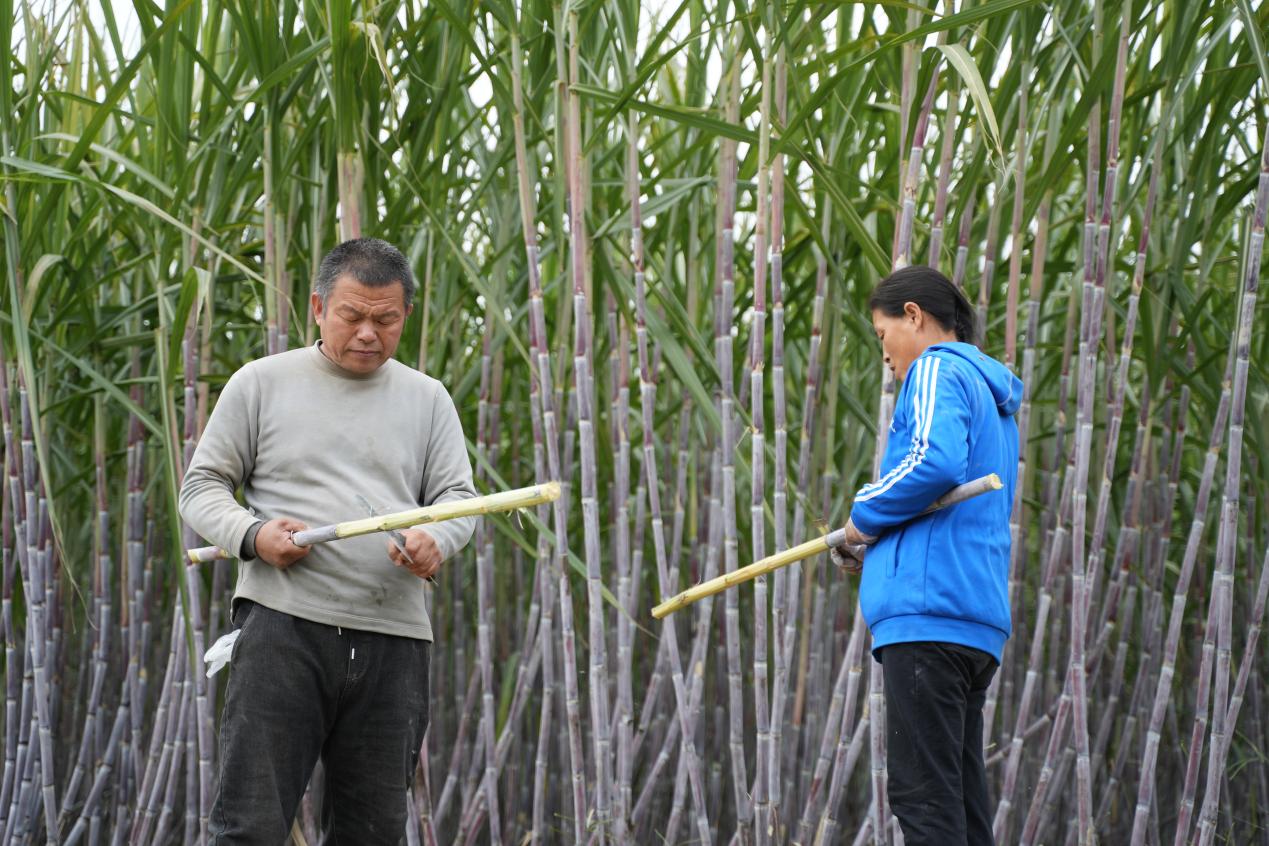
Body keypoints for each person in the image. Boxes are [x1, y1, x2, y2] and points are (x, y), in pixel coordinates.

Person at [179, 237, 476, 843]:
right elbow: (201, 487)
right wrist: (254, 534)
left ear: (405, 317)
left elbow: (459, 500)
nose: (369, 332)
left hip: (393, 641)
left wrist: (433, 539)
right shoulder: (261, 383)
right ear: (317, 307)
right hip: (283, 630)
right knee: (250, 826)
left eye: (386, 319)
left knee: (372, 831)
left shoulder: (429, 399)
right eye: (353, 315)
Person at [834, 264, 1021, 845]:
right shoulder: (992, 397)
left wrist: (862, 518)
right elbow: (947, 498)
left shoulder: (938, 368)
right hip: (970, 618)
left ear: (913, 315)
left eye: (882, 334)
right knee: (960, 809)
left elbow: (933, 463)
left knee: (924, 801)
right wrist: (880, 541)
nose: (885, 354)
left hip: (930, 613)